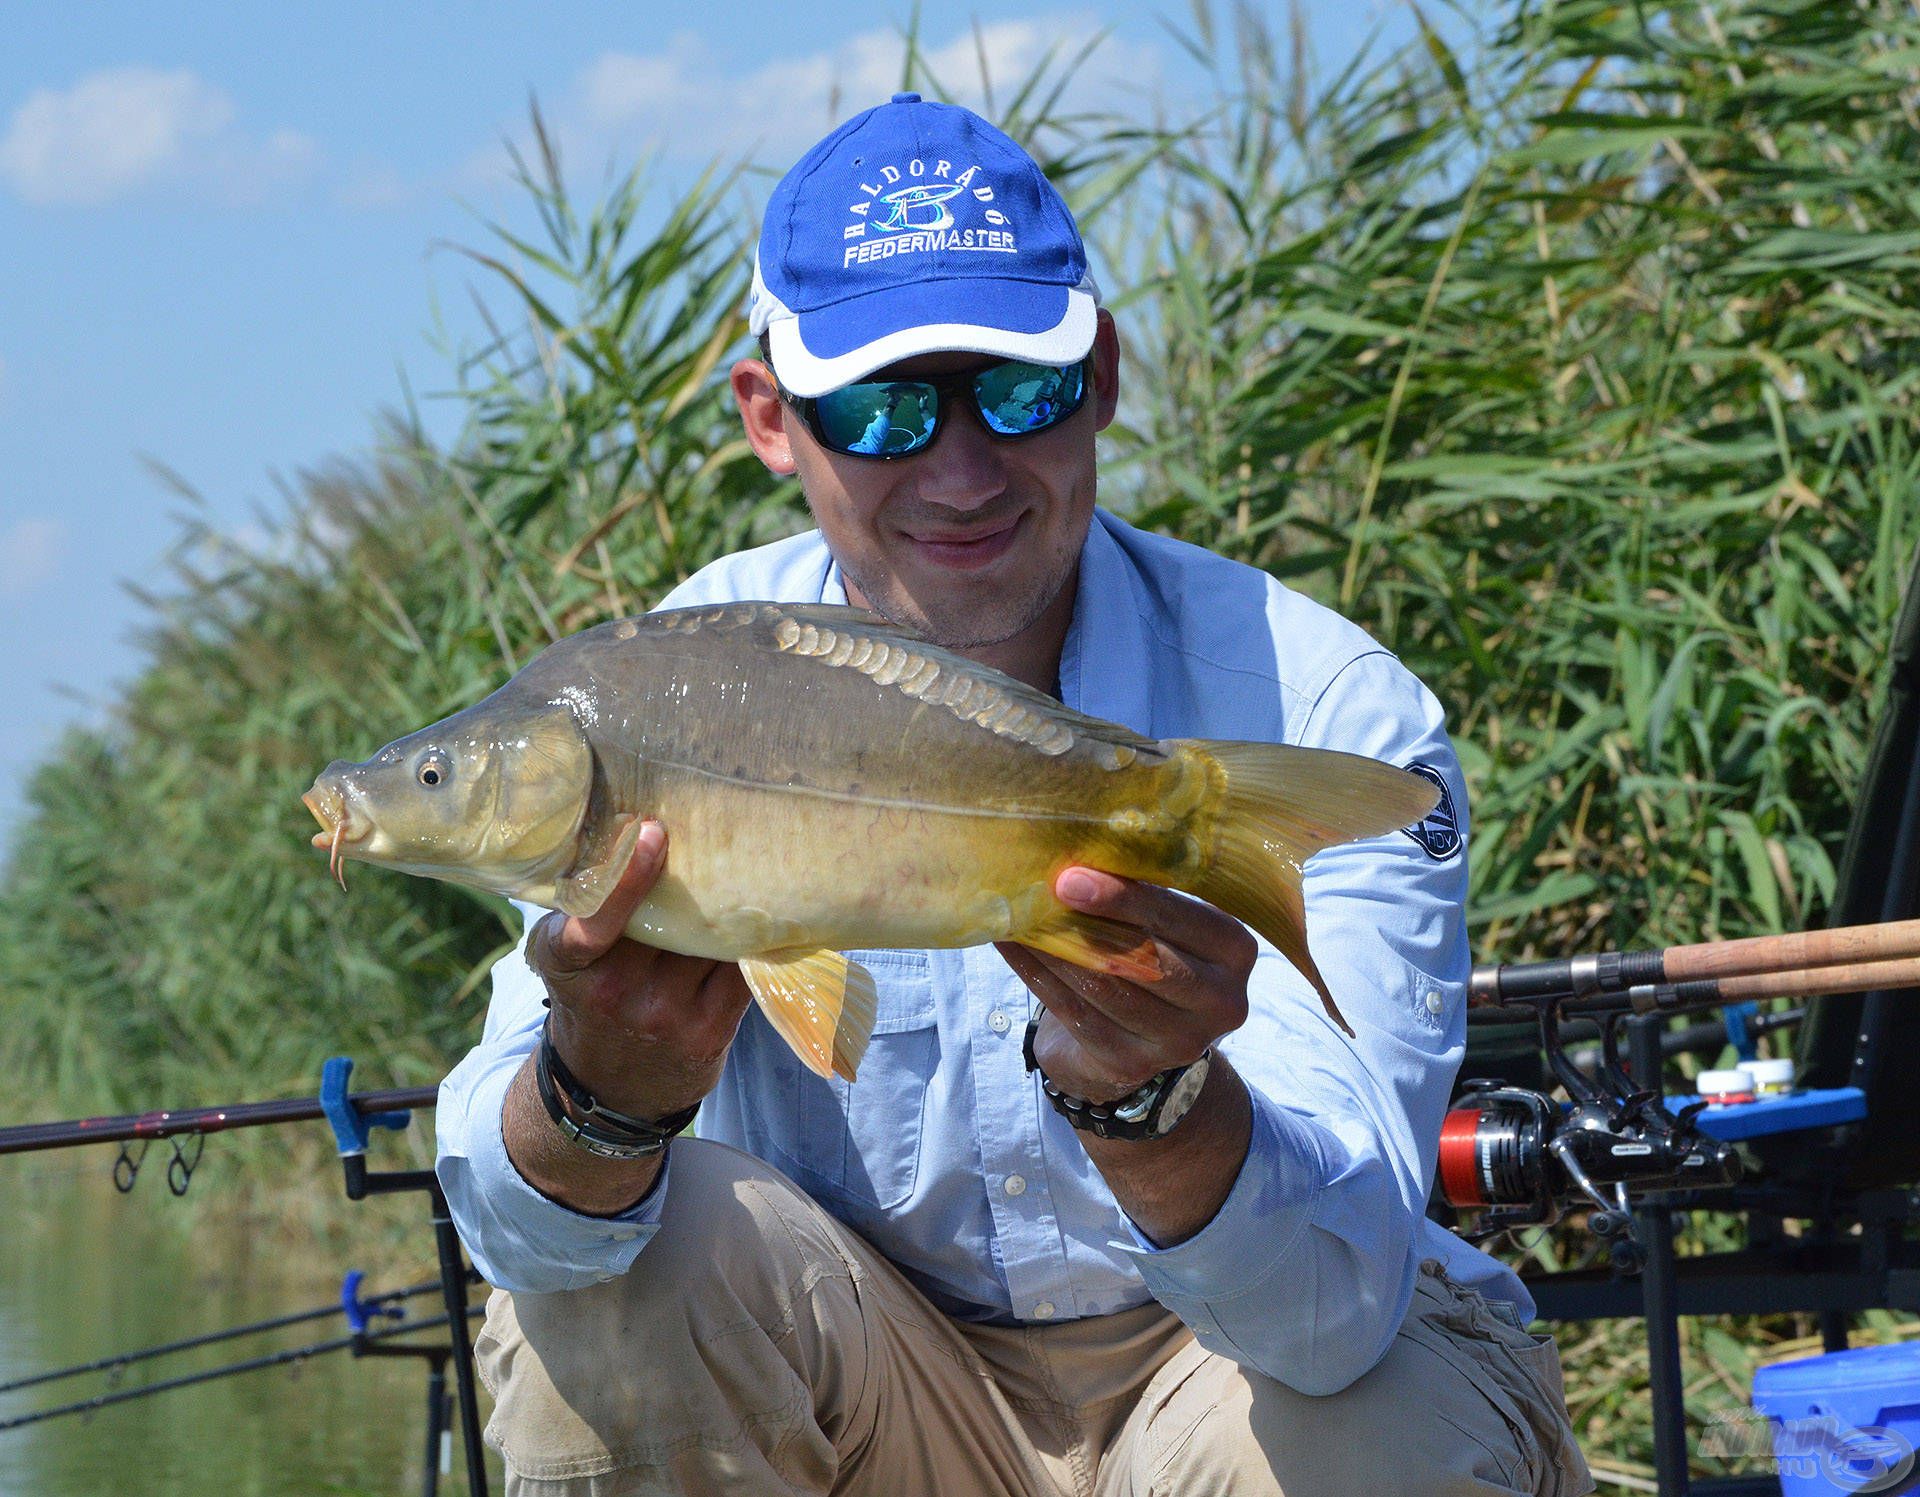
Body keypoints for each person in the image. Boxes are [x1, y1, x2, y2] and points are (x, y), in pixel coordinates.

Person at [435, 93, 1594, 1497]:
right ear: (771, 419)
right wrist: (595, 1101)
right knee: (607, 1301)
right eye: (881, 407)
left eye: (1021, 389)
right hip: (874, 1369)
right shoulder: (660, 696)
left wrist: (1159, 1097)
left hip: (1227, 1369)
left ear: (1102, 375)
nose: (963, 467)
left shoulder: (1325, 705)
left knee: (1383, 1417)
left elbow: (1331, 1314)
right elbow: (517, 1233)